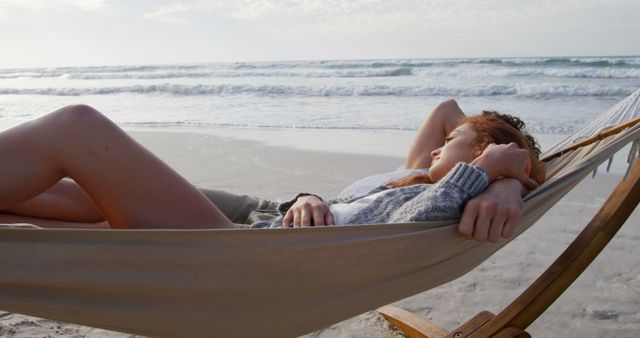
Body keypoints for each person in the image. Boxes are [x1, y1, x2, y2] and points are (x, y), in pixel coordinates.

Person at [0, 101, 543, 243]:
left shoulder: (440, 198)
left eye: (448, 146)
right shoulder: (412, 176)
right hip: (266, 213)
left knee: (76, 128)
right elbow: (448, 107)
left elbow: (404, 224)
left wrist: (497, 172)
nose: (432, 152)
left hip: (244, 244)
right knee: (67, 190)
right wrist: (496, 164)